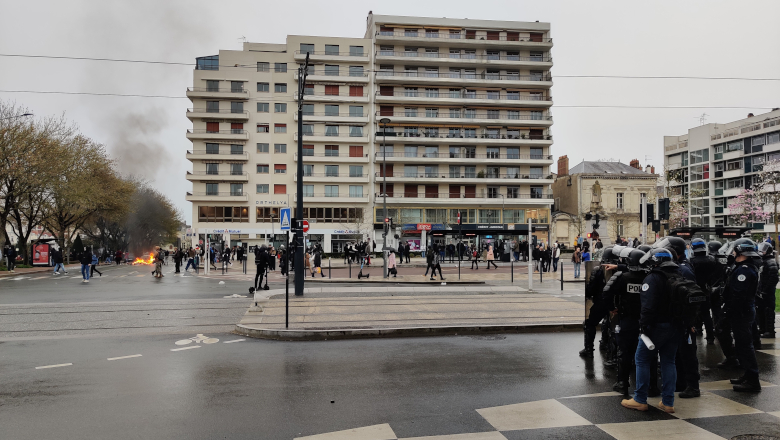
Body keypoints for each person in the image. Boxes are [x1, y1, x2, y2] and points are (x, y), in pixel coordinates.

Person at [621, 248, 682, 414]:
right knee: (669, 361)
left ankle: (640, 399)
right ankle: (668, 402)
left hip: (656, 326)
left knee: (641, 359)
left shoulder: (653, 278)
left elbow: (647, 306)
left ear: (654, 262)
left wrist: (644, 326)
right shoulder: (679, 274)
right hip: (675, 325)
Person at [724, 239, 762, 392]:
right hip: (742, 311)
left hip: (742, 312)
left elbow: (739, 294)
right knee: (741, 345)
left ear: (740, 252)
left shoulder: (744, 270)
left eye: (735, 251)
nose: (733, 253)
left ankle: (753, 380)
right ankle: (747, 374)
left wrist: (729, 310)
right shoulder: (744, 267)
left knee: (745, 346)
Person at [690, 239, 719, 346]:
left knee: (694, 312)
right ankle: (710, 336)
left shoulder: (691, 261)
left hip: (694, 289)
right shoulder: (712, 260)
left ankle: (696, 331)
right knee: (706, 314)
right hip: (707, 289)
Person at [757, 242, 777, 339]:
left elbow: (773, 278)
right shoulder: (764, 261)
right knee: (761, 310)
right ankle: (762, 328)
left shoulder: (770, 262)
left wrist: (766, 289)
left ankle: (770, 330)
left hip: (768, 292)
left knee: (768, 310)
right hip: (763, 290)